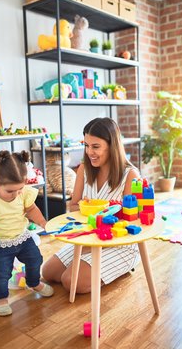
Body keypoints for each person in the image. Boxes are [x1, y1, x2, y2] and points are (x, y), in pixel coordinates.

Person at [42, 117, 140, 293]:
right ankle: (87, 266)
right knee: (48, 272)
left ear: (112, 146)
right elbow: (73, 206)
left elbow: (134, 222)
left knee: (70, 281)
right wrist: (87, 211)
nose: (89, 152)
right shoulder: (84, 170)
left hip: (119, 244)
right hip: (88, 237)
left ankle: (121, 268)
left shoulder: (130, 175)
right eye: (86, 145)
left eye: (95, 147)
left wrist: (103, 215)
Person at [0, 150, 54, 317]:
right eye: (10, 191)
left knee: (35, 259)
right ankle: (1, 298)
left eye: (20, 189)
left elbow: (31, 209)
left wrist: (44, 223)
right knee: (1, 273)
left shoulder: (22, 192)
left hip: (22, 237)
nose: (16, 194)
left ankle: (34, 282)